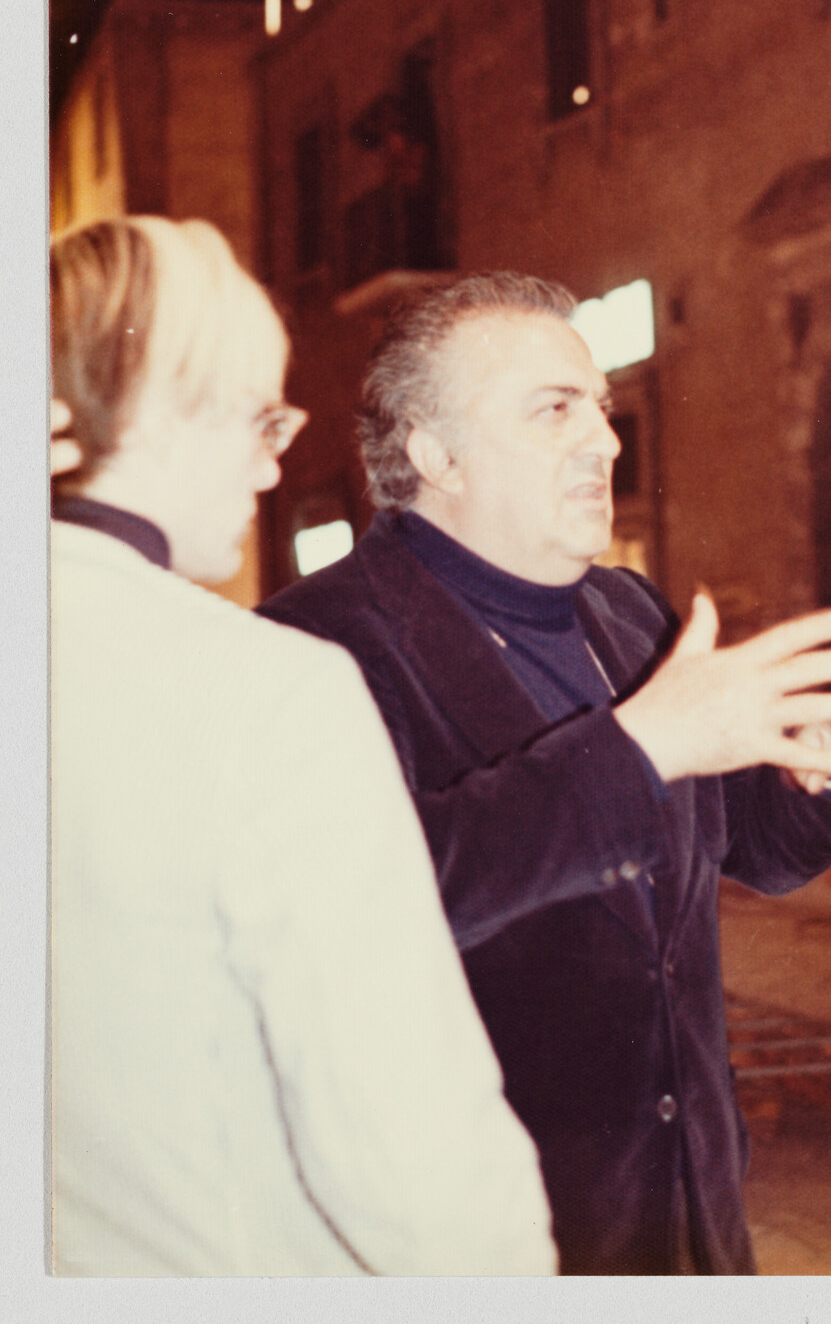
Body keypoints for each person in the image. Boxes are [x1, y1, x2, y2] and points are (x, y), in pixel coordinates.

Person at [259, 272, 831, 1274]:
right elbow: (360, 910)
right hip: (474, 1243)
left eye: (597, 404)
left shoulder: (628, 614)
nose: (607, 438)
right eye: (556, 409)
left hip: (685, 1220)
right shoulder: (310, 648)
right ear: (433, 451)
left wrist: (825, 777)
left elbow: (746, 850)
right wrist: (639, 751)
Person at [50, 219, 555, 1277]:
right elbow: (410, 1144)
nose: (270, 465)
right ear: (160, 403)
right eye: (259, 416)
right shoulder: (264, 688)